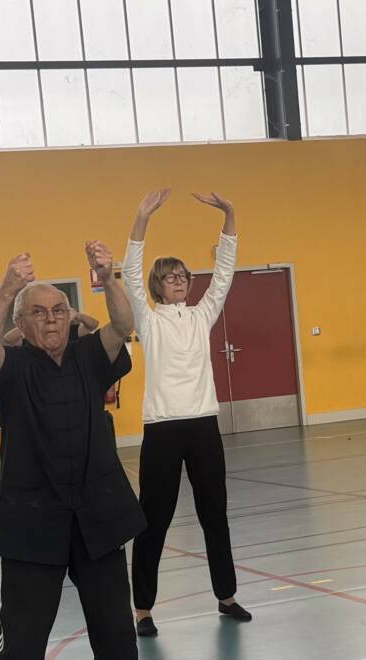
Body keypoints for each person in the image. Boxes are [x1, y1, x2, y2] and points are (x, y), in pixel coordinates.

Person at [0, 243, 166, 660]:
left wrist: (108, 276)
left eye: (59, 310)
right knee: (22, 638)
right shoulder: (11, 369)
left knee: (115, 626)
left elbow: (122, 323)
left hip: (98, 516)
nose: (52, 319)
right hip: (31, 525)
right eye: (39, 312)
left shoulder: (89, 358)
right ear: (22, 324)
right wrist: (8, 289)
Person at [123, 189, 251, 637]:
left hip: (203, 428)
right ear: (158, 285)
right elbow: (130, 275)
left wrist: (229, 213)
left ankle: (226, 596)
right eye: (170, 276)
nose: (178, 281)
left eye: (182, 275)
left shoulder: (201, 316)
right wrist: (142, 217)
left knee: (215, 513)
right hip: (162, 430)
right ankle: (142, 609)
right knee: (153, 520)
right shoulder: (148, 320)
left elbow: (225, 273)